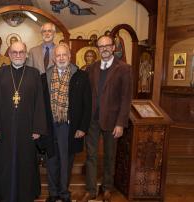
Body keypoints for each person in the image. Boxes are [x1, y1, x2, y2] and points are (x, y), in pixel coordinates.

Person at [0, 41, 47, 202]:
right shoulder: (0, 73)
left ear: (26, 55)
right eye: (14, 52)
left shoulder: (34, 73)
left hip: (27, 129)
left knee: (25, 164)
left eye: (21, 52)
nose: (18, 55)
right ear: (9, 55)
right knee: (4, 163)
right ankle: (3, 194)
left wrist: (38, 128)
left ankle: (25, 195)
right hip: (4, 129)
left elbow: (39, 101)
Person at [79, 35, 132, 202]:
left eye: (107, 45)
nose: (104, 49)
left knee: (110, 156)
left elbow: (126, 98)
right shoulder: (91, 68)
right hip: (92, 121)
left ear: (113, 47)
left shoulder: (124, 68)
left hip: (112, 121)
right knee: (91, 156)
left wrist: (120, 123)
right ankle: (91, 190)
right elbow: (86, 96)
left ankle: (107, 188)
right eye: (101, 46)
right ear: (98, 49)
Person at [42, 44, 92, 202]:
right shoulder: (45, 77)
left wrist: (83, 127)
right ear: (54, 58)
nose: (61, 58)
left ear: (70, 56)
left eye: (64, 55)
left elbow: (87, 104)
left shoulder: (81, 76)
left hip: (69, 126)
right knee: (51, 160)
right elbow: (40, 104)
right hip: (50, 125)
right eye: (58, 55)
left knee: (65, 161)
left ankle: (64, 193)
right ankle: (53, 193)